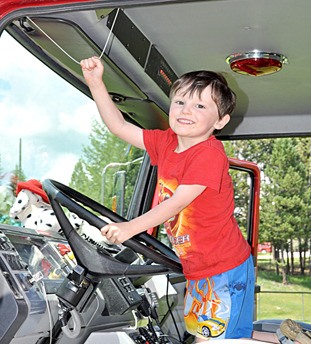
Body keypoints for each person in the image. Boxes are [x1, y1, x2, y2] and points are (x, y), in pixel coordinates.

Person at [80, 56, 255, 342]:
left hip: (223, 267)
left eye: (200, 106)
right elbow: (119, 127)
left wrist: (128, 228)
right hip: (199, 267)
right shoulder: (166, 143)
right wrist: (96, 84)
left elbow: (176, 203)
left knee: (216, 340)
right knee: (208, 336)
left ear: (221, 120)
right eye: (180, 102)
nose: (186, 110)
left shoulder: (209, 154)